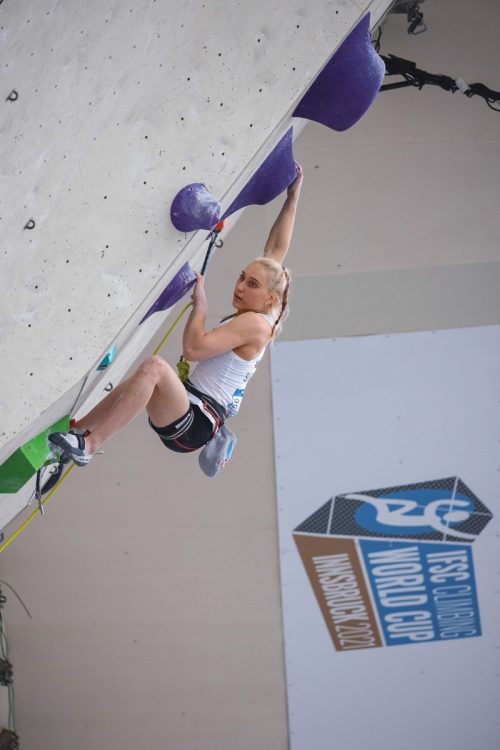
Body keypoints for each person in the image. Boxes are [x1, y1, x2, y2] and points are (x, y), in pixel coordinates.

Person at [49, 164, 304, 466]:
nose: (240, 287)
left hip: (196, 423)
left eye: (251, 284)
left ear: (270, 298)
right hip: (190, 406)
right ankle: (76, 430)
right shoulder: (266, 309)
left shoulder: (255, 325)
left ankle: (88, 445)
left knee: (155, 367)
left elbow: (193, 350)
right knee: (139, 379)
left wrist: (201, 307)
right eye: (241, 277)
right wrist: (293, 195)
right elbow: (275, 249)